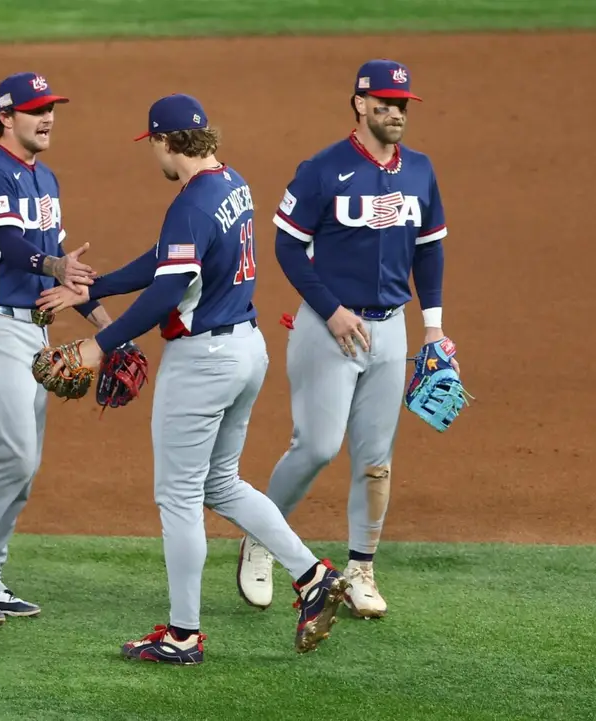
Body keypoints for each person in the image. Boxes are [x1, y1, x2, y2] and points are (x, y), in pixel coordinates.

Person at [36, 94, 350, 664]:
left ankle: (182, 635)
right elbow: (168, 258)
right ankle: (313, 578)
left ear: (163, 141)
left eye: (152, 144)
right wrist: (97, 287)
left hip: (203, 363)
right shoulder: (231, 184)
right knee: (220, 484)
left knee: (178, 496)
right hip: (246, 351)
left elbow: (164, 292)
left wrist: (95, 343)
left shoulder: (189, 204)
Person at [236, 59, 454, 619]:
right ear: (359, 104)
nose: (396, 113)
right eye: (385, 103)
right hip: (328, 328)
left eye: (402, 104)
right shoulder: (323, 170)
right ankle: (262, 537)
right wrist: (331, 311)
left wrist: (432, 325)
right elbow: (286, 246)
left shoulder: (421, 171)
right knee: (317, 446)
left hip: (390, 329)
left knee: (376, 460)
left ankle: (361, 569)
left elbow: (429, 249)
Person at [0, 72, 111, 626]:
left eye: (52, 108)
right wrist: (55, 264)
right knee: (13, 454)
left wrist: (106, 324)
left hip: (32, 330)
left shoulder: (46, 178)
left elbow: (59, 261)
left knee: (24, 465)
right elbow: (11, 246)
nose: (48, 117)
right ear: (7, 116)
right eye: (36, 109)